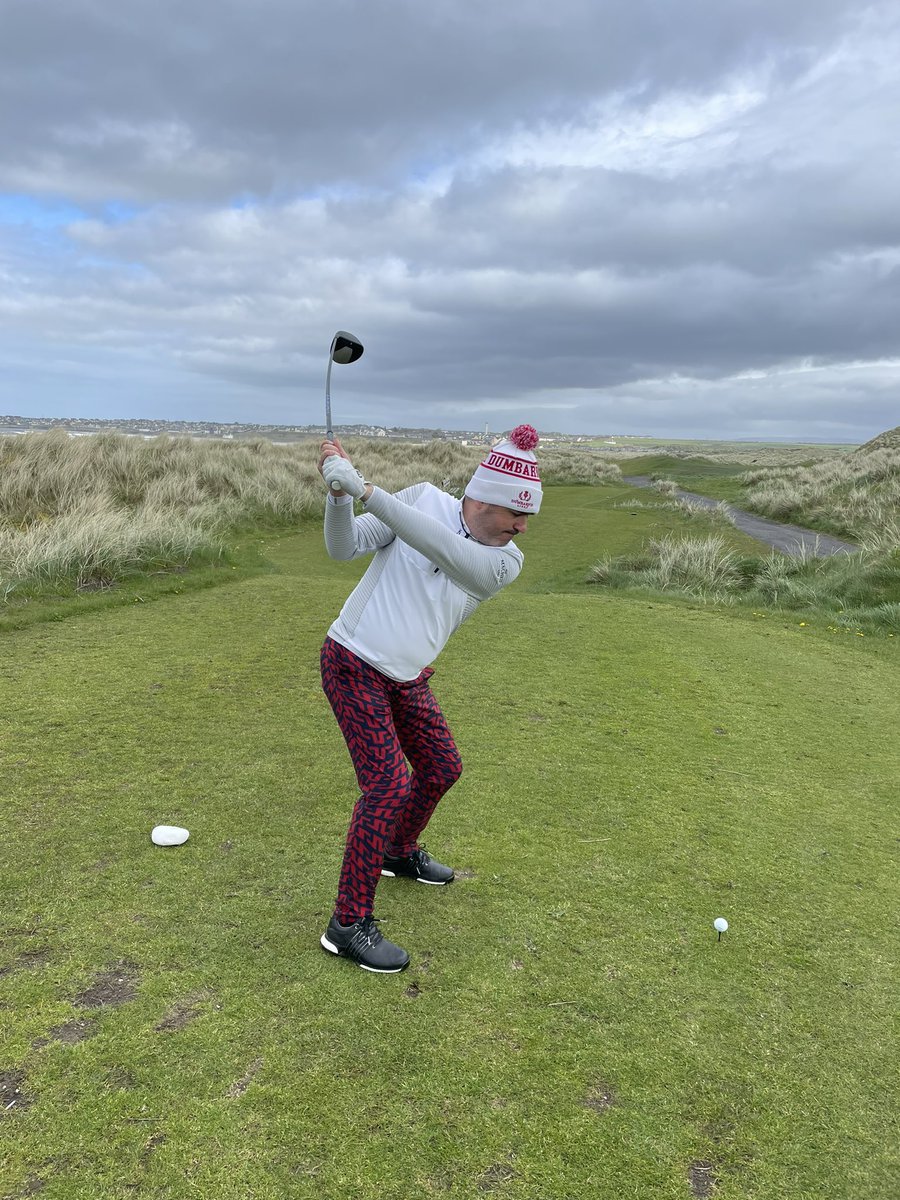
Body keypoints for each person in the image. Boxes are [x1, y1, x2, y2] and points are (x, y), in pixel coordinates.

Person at [316, 425, 543, 972]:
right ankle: (347, 923)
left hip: (408, 676)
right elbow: (342, 548)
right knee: (389, 784)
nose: (523, 527)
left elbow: (434, 544)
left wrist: (368, 489)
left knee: (442, 768)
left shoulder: (505, 561)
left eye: (528, 517)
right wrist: (340, 497)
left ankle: (397, 850)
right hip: (353, 661)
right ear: (484, 496)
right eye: (517, 513)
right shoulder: (420, 499)